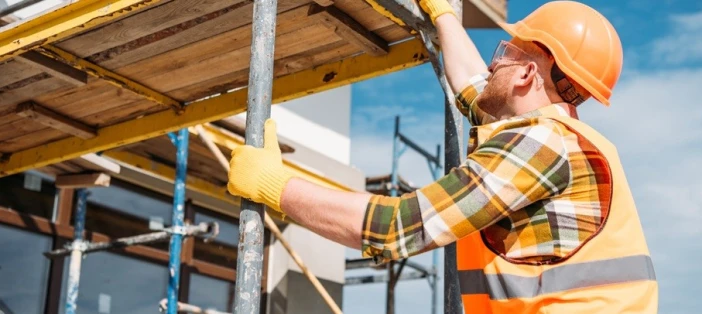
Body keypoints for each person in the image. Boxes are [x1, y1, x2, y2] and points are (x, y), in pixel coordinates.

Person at [227, 0, 658, 312]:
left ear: (527, 73)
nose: (493, 66)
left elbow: (397, 228)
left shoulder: (540, 144)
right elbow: (475, 90)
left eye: (504, 55)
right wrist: (444, 14)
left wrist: (275, 185)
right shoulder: (557, 139)